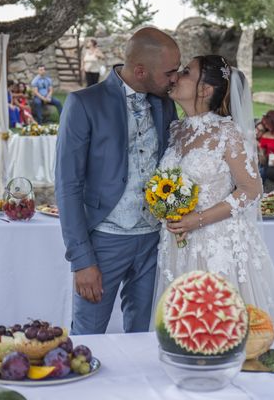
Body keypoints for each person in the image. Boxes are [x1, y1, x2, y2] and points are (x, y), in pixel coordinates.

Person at [55, 27, 180, 334]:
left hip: (154, 240)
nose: (175, 78)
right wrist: (82, 260)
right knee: (88, 336)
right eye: (170, 72)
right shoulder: (84, 103)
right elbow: (67, 185)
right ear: (140, 71)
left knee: (145, 336)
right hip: (104, 241)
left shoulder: (163, 101)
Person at [154, 55, 274, 323]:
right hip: (178, 244)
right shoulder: (176, 130)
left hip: (216, 243)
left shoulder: (227, 133)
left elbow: (251, 189)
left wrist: (197, 219)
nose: (176, 76)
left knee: (219, 323)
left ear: (205, 90)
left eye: (187, 72)